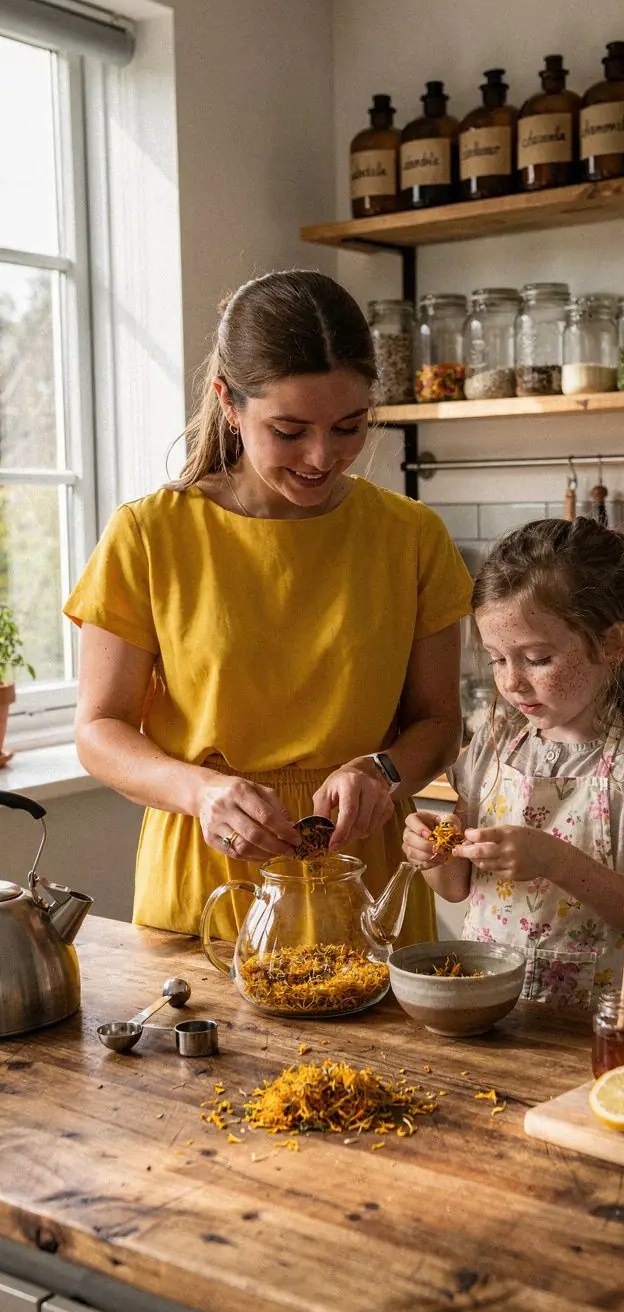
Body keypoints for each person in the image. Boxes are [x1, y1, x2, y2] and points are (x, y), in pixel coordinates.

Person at [65, 270, 472, 942]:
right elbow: (98, 729)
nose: (322, 457)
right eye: (288, 430)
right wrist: (202, 793)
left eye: (349, 427)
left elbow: (438, 721)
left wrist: (385, 771)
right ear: (229, 402)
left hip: (363, 872)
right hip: (208, 874)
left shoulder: (412, 536)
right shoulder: (150, 534)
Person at [403, 517, 624, 1007]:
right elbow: (456, 887)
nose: (512, 682)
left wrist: (555, 861)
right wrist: (432, 855)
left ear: (612, 644)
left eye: (537, 659)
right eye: (497, 659)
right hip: (485, 1012)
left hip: (593, 1028)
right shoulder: (496, 744)